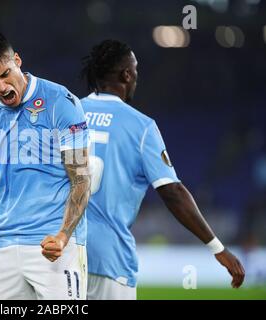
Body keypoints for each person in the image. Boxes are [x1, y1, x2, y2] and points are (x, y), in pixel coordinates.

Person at [80, 39, 245, 300]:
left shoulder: (67, 113)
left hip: (62, 255)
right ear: (126, 74)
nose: (136, 77)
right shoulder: (140, 126)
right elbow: (173, 192)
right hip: (109, 260)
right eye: (135, 71)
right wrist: (218, 248)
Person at [0, 29, 90, 300]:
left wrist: (63, 236)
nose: (1, 87)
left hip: (53, 248)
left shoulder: (60, 103)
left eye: (5, 74)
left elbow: (81, 180)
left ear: (17, 60)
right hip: (3, 249)